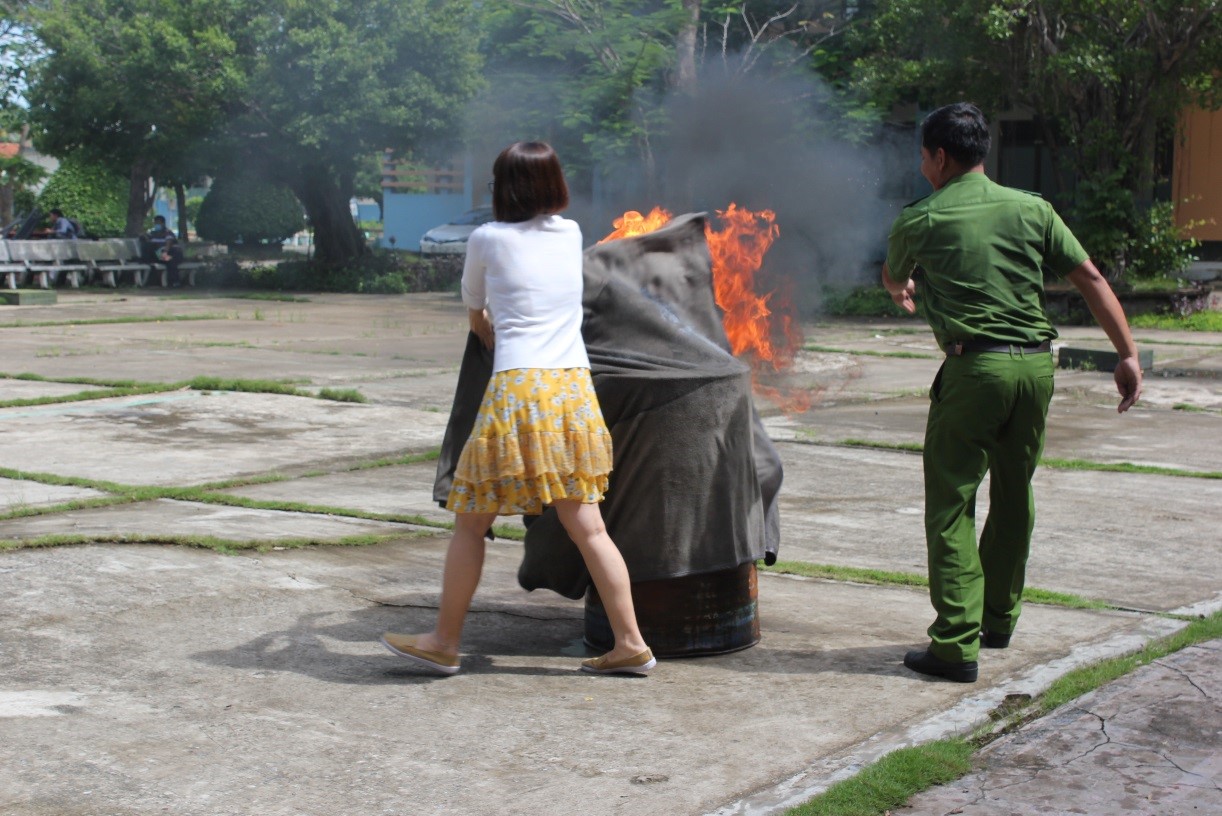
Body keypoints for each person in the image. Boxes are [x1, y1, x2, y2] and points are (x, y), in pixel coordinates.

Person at [882, 102, 1142, 683]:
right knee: (1013, 492)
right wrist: (1126, 353)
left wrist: (903, 291)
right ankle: (998, 620)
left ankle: (954, 644)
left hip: (975, 373)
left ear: (940, 157)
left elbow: (894, 278)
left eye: (924, 155)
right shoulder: (1032, 209)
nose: (923, 165)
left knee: (951, 502)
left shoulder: (919, 219)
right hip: (1035, 371)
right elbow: (1091, 279)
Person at [381, 141, 655, 676]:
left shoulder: (486, 238)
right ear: (554, 186)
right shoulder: (572, 232)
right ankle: (630, 642)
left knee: (470, 524)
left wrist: (489, 326)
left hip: (519, 390)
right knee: (590, 529)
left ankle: (443, 641)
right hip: (573, 389)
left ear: (502, 189)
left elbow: (476, 313)